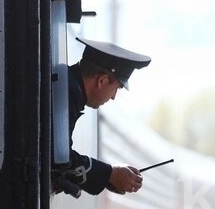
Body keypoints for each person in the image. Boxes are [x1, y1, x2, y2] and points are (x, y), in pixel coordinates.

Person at [62, 38, 151, 196]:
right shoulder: (66, 94)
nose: (113, 97)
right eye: (116, 88)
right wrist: (109, 174)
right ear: (102, 81)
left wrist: (108, 178)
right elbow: (59, 159)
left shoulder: (65, 85)